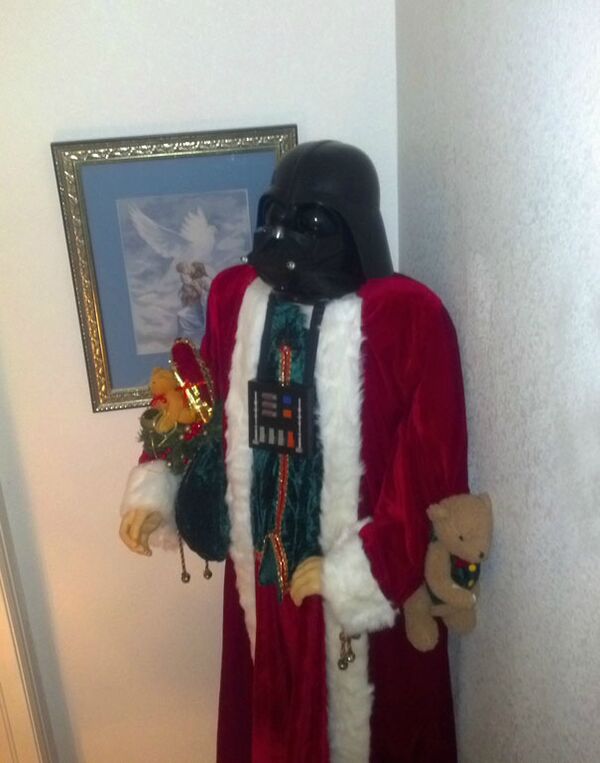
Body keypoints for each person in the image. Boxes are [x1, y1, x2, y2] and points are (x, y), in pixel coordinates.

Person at [119, 141, 468, 763]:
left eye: (308, 221)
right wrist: (161, 485)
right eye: (274, 216)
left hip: (357, 584)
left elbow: (429, 467)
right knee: (267, 725)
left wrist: (367, 569)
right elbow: (201, 399)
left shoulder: (408, 318)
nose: (281, 238)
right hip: (259, 576)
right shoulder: (233, 297)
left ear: (353, 225)